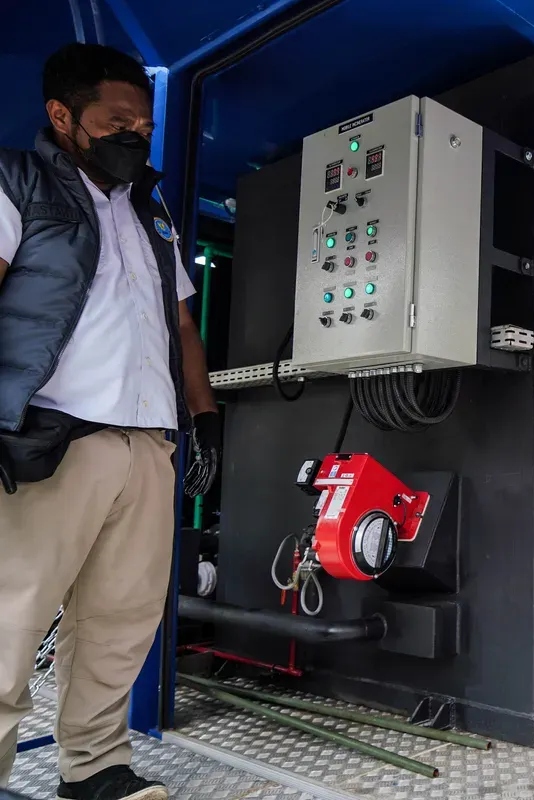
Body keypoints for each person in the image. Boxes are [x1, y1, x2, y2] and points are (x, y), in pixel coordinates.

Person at [0, 44, 219, 800]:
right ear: (63, 117)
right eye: (116, 119)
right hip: (51, 438)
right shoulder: (16, 181)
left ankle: (94, 769)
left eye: (145, 122)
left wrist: (204, 420)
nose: (136, 132)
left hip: (147, 445)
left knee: (119, 622)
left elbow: (182, 326)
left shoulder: (149, 211)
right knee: (9, 622)